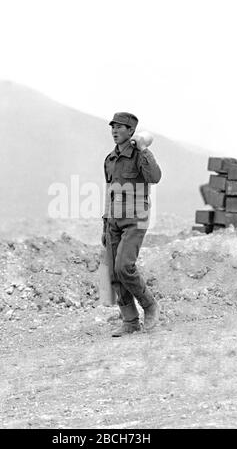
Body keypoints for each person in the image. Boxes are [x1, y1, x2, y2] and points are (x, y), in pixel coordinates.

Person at [102, 112, 162, 337]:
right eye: (113, 127)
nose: (115, 131)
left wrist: (144, 149)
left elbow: (155, 177)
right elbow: (110, 192)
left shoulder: (139, 154)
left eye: (120, 127)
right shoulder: (110, 159)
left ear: (131, 131)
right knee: (114, 274)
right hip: (114, 220)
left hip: (136, 218)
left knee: (124, 266)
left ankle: (150, 305)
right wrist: (105, 224)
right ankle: (130, 321)